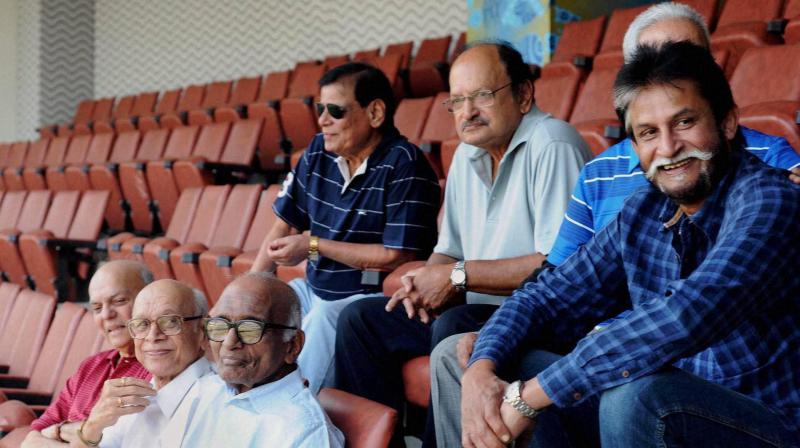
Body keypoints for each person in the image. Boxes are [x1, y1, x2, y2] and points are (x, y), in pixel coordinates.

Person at [435, 42, 800, 448]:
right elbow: (547, 295)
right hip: (670, 408)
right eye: (648, 133)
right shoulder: (644, 208)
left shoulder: (770, 201)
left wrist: (528, 398)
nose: (667, 148)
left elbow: (685, 316)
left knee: (637, 396)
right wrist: (483, 369)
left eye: (684, 123)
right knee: (477, 358)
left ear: (728, 122)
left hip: (766, 423)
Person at [334, 41, 592, 445]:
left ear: (523, 94)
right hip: (476, 306)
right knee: (361, 320)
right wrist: (421, 282)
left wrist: (456, 277)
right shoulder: (466, 157)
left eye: (482, 97)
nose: (467, 112)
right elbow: (450, 251)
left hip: (538, 318)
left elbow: (558, 266)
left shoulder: (552, 143)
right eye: (456, 101)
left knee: (453, 325)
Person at [548, 1, 800, 267]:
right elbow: (559, 279)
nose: (668, 148)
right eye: (650, 65)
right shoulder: (598, 175)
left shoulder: (770, 161)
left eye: (687, 63)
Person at [250, 62, 441, 392]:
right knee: (259, 309)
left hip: (366, 300)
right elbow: (284, 224)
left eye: (334, 110)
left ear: (376, 113)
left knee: (321, 321)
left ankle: (289, 421)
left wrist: (313, 245)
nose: (322, 119)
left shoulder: (404, 163)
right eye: (319, 108)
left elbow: (395, 255)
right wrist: (249, 289)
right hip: (313, 290)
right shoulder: (317, 151)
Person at [182, 272, 344, 447]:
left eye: (250, 329)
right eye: (220, 325)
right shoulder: (207, 389)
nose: (229, 343)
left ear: (292, 345)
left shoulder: (304, 432)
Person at [19, 261, 152, 447]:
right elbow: (32, 440)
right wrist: (83, 431)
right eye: (97, 308)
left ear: (150, 300)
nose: (106, 315)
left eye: (119, 301)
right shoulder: (91, 366)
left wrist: (58, 431)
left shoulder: (157, 370)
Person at [73, 280, 212, 447]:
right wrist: (93, 426)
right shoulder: (134, 394)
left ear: (203, 330)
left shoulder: (218, 400)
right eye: (142, 324)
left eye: (169, 322)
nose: (152, 336)